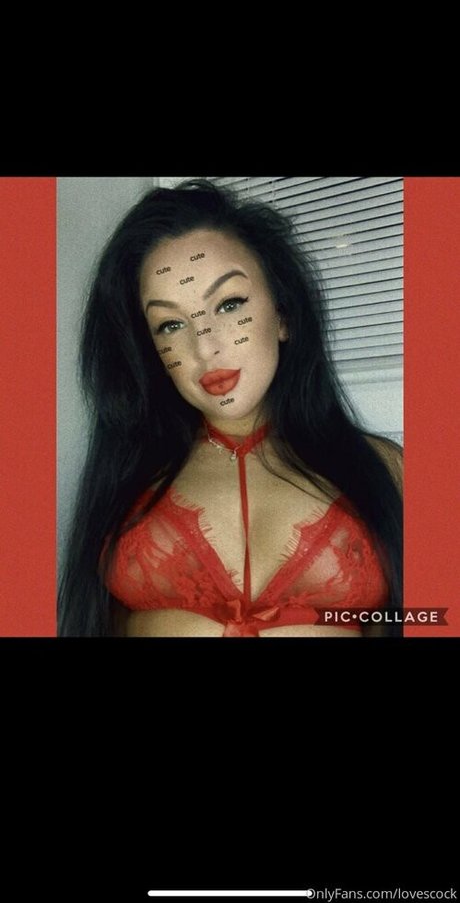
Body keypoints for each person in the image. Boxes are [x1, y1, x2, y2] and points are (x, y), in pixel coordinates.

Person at [58, 179, 403, 638]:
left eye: (229, 304)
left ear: (283, 315)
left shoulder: (386, 470)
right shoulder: (125, 478)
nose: (205, 348)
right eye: (170, 325)